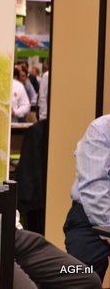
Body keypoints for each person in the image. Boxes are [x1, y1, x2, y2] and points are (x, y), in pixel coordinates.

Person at [64, 114, 110, 281]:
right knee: (82, 278)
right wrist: (108, 231)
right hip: (90, 218)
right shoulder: (101, 129)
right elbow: (94, 188)